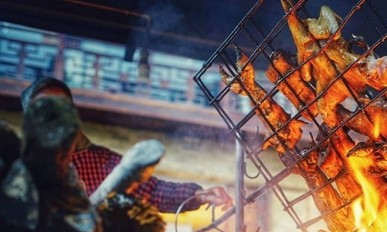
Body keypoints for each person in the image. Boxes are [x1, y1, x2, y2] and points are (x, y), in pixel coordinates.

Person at [20, 77, 232, 213]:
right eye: (45, 106)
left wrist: (197, 195)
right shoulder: (17, 164)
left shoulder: (99, 161)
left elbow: (154, 191)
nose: (55, 113)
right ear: (29, 117)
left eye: (62, 105)